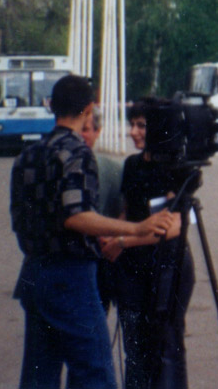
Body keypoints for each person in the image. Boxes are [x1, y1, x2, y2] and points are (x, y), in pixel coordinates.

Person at [9, 74, 174, 389]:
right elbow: (76, 215)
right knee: (96, 374)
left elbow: (21, 218)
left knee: (38, 375)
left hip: (34, 274)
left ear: (51, 105)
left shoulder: (29, 154)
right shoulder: (76, 151)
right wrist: (136, 227)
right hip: (70, 277)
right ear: (88, 108)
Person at [103, 98, 195, 389]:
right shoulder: (131, 165)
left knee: (166, 347)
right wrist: (111, 234)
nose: (133, 132)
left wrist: (122, 241)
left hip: (168, 268)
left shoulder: (175, 168)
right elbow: (127, 211)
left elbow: (174, 227)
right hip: (132, 271)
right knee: (134, 350)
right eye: (131, 124)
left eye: (141, 125)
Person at [78, 111, 123, 312]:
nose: (80, 135)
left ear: (98, 132)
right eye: (77, 128)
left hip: (97, 270)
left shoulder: (113, 169)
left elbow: (124, 211)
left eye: (86, 129)